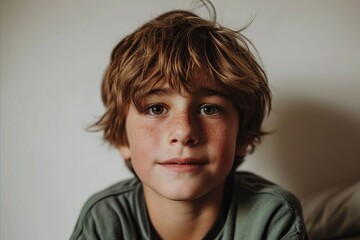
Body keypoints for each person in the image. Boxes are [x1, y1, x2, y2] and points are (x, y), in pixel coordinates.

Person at [70, 1, 308, 239]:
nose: (183, 132)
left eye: (209, 109)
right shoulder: (103, 219)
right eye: (155, 108)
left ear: (243, 136)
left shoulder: (272, 216)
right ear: (121, 137)